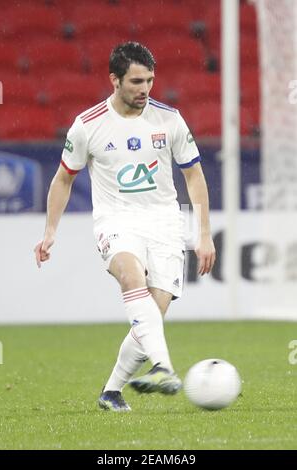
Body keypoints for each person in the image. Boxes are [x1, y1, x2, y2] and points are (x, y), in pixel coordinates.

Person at [34, 42, 216, 412]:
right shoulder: (88, 125)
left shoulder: (169, 119)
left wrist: (204, 232)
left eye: (149, 80)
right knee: (132, 279)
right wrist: (50, 231)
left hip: (165, 221)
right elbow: (63, 179)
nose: (144, 89)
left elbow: (194, 175)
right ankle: (164, 367)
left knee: (152, 313)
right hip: (115, 219)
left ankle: (111, 391)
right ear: (114, 79)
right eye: (135, 81)